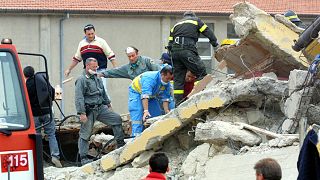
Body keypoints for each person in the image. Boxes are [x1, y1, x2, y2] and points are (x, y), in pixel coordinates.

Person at [75, 57, 125, 165]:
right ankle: (83, 158)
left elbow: (103, 92)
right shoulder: (81, 79)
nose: (95, 69)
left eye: (96, 67)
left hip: (100, 107)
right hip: (89, 110)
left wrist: (108, 104)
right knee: (85, 134)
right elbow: (79, 97)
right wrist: (82, 113)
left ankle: (120, 145)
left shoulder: (97, 77)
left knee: (116, 119)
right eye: (93, 67)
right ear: (87, 66)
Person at [167, 11, 219, 106]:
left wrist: (174, 56)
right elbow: (208, 31)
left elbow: (170, 44)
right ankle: (198, 98)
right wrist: (215, 45)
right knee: (201, 73)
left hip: (175, 53)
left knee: (178, 80)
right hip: (187, 49)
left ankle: (178, 105)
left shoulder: (176, 25)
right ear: (193, 16)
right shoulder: (196, 20)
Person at [23, 66, 62, 168]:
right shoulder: (42, 80)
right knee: (51, 135)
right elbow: (53, 93)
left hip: (35, 115)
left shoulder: (26, 85)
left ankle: (38, 158)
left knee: (37, 135)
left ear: (25, 75)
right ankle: (55, 157)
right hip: (46, 112)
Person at [65, 24, 117, 92]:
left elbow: (110, 55)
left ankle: (106, 103)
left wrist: (115, 68)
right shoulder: (82, 44)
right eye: (89, 34)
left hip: (100, 70)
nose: (91, 36)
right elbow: (77, 58)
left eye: (92, 33)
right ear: (85, 34)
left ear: (95, 32)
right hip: (87, 72)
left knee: (102, 90)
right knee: (87, 90)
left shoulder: (101, 42)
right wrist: (69, 69)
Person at [129, 65, 173, 137]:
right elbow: (145, 95)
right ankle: (136, 137)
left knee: (156, 114)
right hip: (136, 92)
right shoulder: (150, 79)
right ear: (162, 74)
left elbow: (165, 98)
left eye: (170, 79)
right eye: (167, 78)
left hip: (152, 95)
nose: (168, 81)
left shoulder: (166, 83)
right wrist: (146, 111)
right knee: (138, 113)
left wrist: (167, 111)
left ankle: (155, 136)